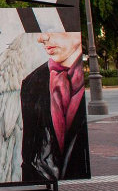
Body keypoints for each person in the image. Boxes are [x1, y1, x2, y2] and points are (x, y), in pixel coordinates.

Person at [21, 31, 90, 182]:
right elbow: (31, 155)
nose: (42, 38)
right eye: (40, 32)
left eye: (53, 29)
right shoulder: (31, 82)